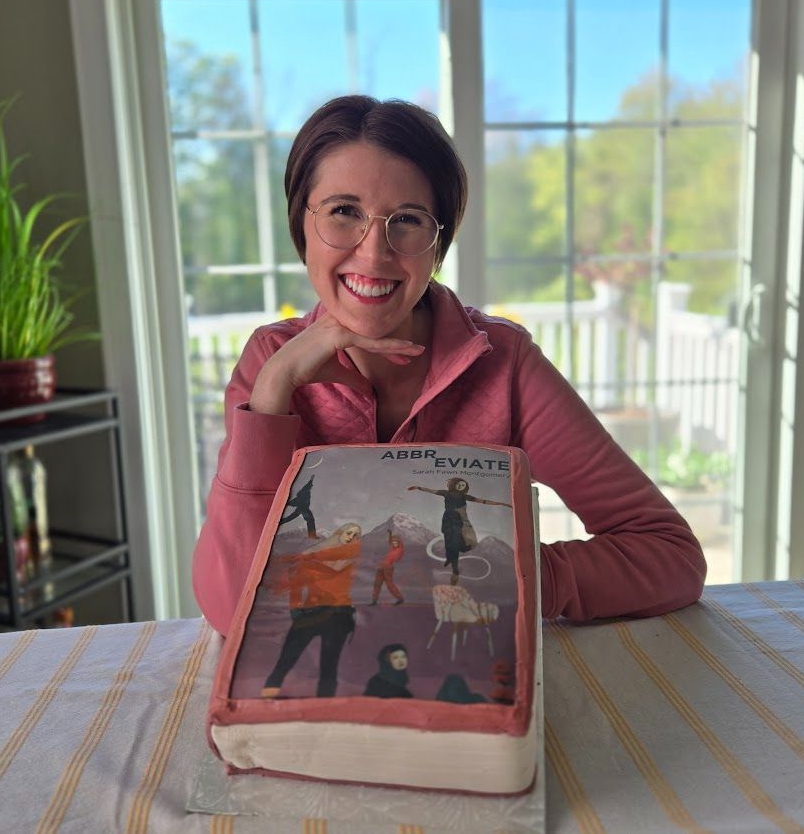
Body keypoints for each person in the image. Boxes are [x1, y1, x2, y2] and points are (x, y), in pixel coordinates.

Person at [192, 95, 706, 638]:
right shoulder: (270, 363)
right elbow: (233, 607)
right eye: (344, 211)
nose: (373, 254)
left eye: (408, 220)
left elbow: (670, 557)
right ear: (301, 222)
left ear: (439, 243)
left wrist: (512, 578)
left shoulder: (505, 364)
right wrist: (273, 393)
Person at [261, 522, 361, 698]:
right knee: (286, 660)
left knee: (329, 666)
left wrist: (309, 556)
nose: (351, 537)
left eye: (356, 535)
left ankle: (324, 708)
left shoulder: (351, 555)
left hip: (339, 614)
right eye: (348, 533)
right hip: (310, 613)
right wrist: (295, 608)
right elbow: (296, 584)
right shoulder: (311, 559)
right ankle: (266, 699)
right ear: (339, 534)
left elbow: (335, 562)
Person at [408, 478, 511, 581]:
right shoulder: (446, 493)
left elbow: (483, 501)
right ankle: (453, 564)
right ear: (453, 484)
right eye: (459, 484)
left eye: (463, 485)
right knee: (451, 541)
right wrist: (418, 488)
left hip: (461, 520)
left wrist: (500, 504)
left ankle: (455, 559)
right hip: (449, 519)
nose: (461, 487)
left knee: (463, 542)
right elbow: (432, 491)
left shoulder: (464, 496)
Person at [277, 474, 318, 538]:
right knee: (310, 519)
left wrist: (311, 480)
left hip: (300, 509)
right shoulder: (304, 494)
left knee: (291, 517)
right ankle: (312, 535)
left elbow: (308, 487)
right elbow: (307, 487)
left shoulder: (304, 494)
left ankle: (280, 522)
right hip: (304, 509)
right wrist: (311, 480)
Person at [371, 530, 405, 605]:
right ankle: (374, 601)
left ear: (399, 543)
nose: (394, 544)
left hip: (388, 568)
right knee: (377, 584)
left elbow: (395, 558)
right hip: (381, 567)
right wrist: (390, 534)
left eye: (396, 543)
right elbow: (390, 541)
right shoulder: (393, 548)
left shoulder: (399, 550)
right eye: (393, 543)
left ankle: (400, 599)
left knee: (389, 585)